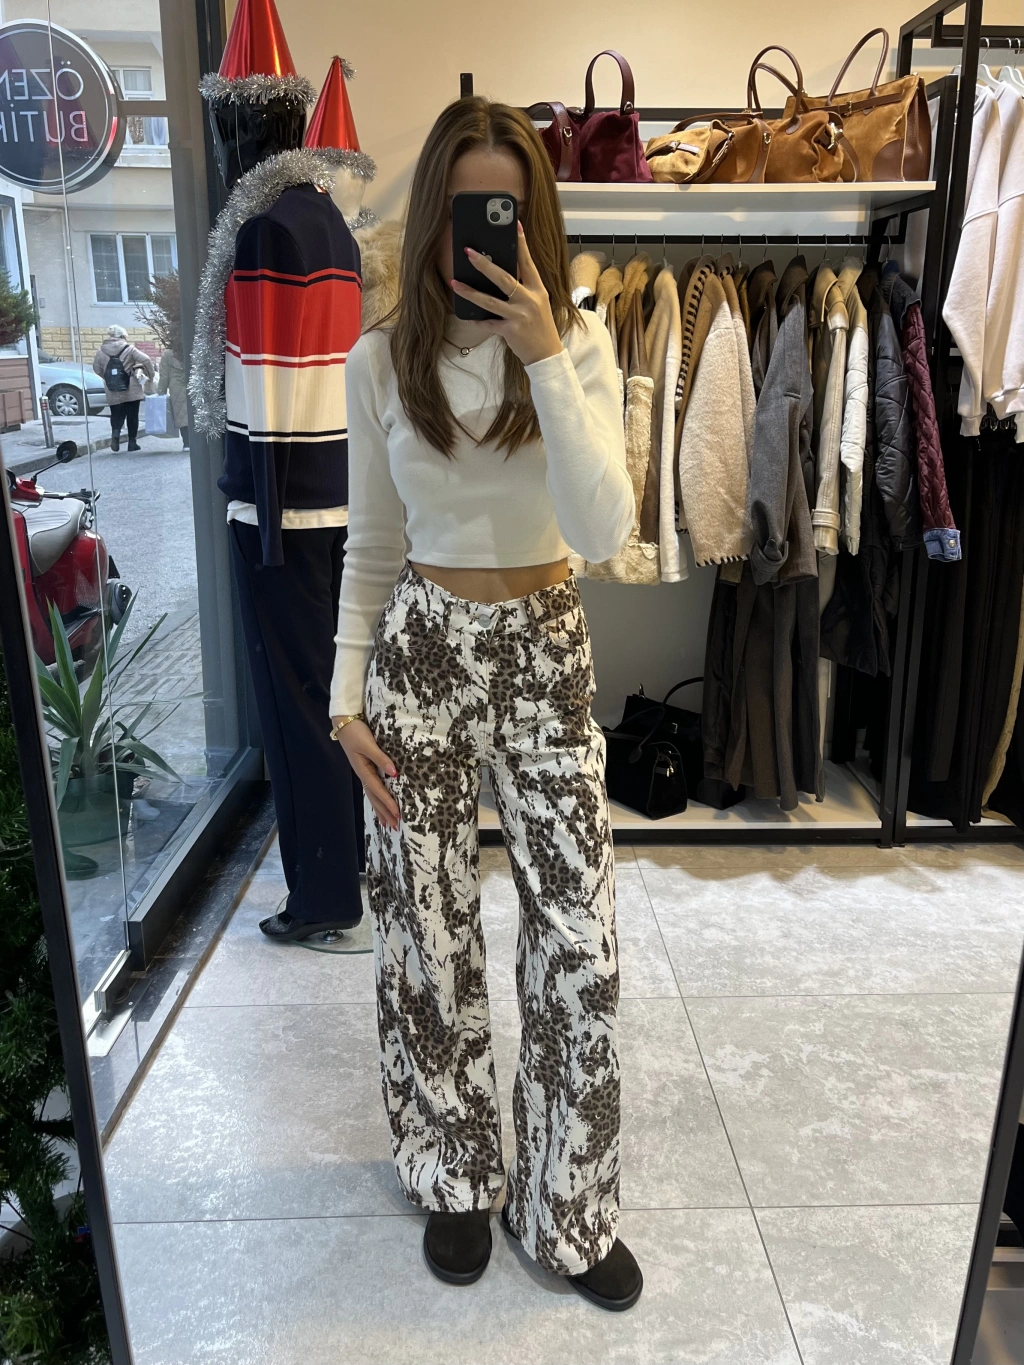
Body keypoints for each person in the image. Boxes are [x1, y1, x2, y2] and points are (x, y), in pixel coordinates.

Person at [330, 97, 642, 1310]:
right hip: (420, 651)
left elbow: (602, 530)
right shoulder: (378, 360)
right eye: (465, 208)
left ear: (533, 218)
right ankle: (456, 1173)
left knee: (579, 939)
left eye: (503, 208)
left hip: (547, 645)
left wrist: (544, 352)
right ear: (433, 221)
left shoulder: (581, 343)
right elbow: (370, 545)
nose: (483, 230)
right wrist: (345, 700)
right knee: (426, 926)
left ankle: (567, 1202)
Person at [92, 324, 154, 452]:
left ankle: (115, 434)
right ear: (122, 336)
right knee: (132, 415)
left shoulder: (101, 351)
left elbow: (96, 368)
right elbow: (146, 359)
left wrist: (107, 377)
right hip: (131, 387)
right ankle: (132, 443)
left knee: (116, 414)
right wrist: (150, 375)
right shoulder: (130, 349)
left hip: (112, 389)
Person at [157, 338, 189, 449]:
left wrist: (161, 391)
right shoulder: (192, 349)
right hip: (192, 382)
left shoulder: (167, 354)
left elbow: (164, 375)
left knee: (181, 414)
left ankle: (187, 443)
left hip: (176, 386)